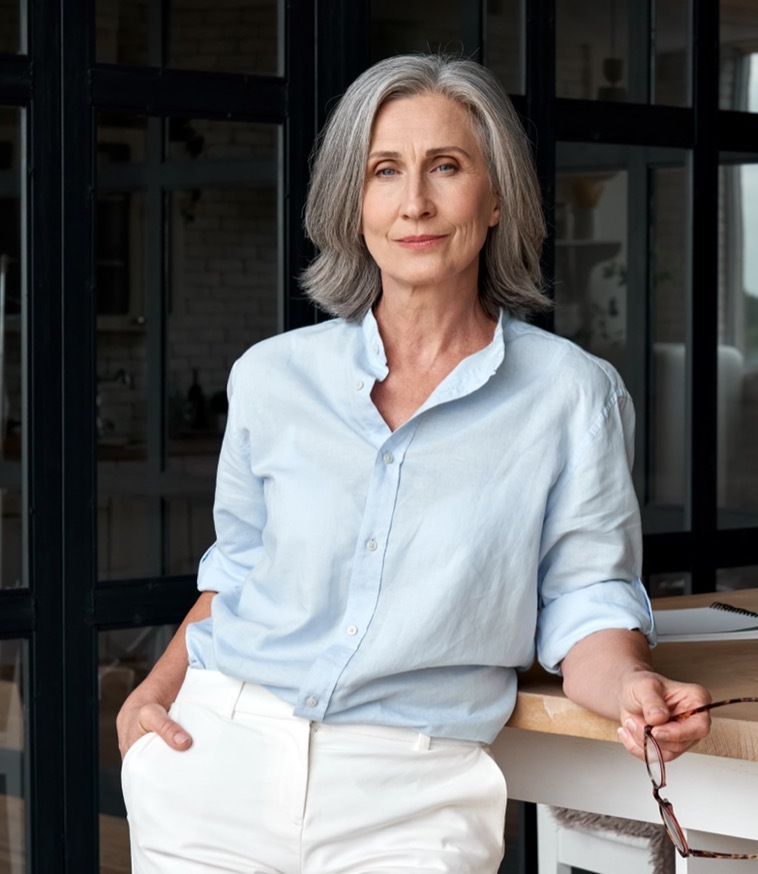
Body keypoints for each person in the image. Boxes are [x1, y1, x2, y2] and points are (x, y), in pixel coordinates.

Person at [117, 53, 712, 873]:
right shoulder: (270, 377)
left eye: (447, 166)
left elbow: (587, 599)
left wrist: (633, 687)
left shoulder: (573, 396)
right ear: (352, 202)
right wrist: (156, 689)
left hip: (413, 792)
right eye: (384, 171)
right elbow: (238, 572)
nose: (415, 203)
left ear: (496, 195)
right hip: (216, 762)